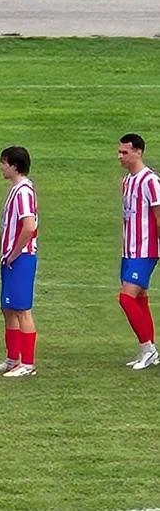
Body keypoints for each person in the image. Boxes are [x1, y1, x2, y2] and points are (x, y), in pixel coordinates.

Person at [0, 146, 39, 377]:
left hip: (20, 258)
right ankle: (12, 358)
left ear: (14, 165)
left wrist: (14, 253)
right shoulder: (16, 189)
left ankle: (27, 363)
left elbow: (29, 226)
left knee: (22, 310)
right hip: (10, 258)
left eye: (3, 162)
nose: (1, 166)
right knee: (8, 308)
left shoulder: (24, 192)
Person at [116, 133, 160, 370]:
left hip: (145, 249)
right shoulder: (127, 181)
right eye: (119, 152)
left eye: (124, 152)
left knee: (126, 297)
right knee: (140, 299)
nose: (120, 156)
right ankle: (149, 349)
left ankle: (148, 348)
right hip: (129, 250)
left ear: (138, 152)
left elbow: (159, 216)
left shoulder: (150, 181)